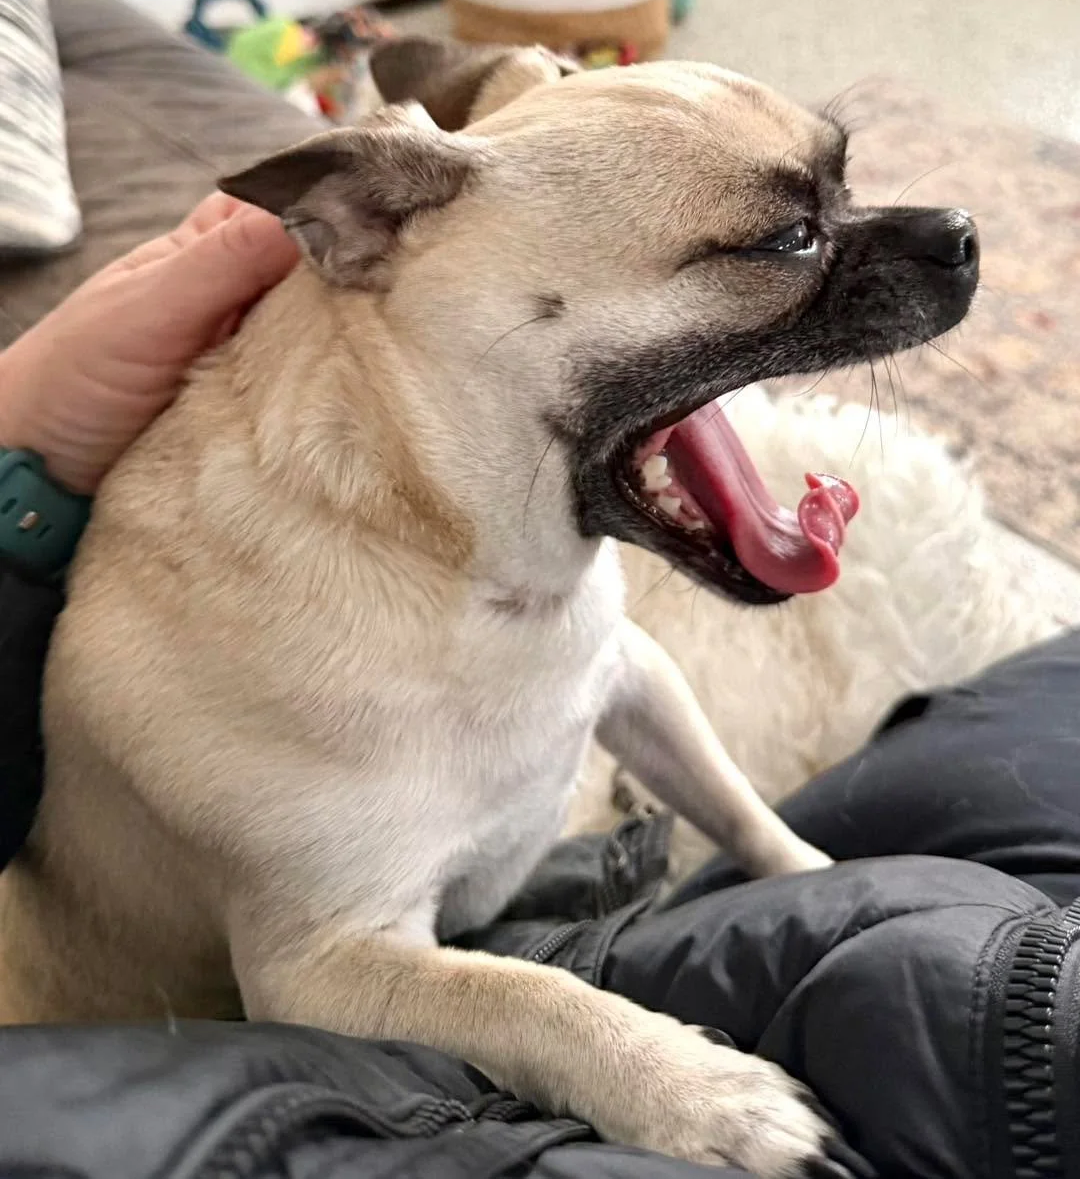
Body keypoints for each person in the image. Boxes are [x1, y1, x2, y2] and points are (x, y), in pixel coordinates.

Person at [1, 199, 1079, 1179]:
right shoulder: (279, 639)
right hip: (276, 1050)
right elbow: (314, 974)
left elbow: (618, 664)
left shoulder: (500, 533)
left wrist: (29, 446)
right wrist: (599, 1047)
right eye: (781, 238)